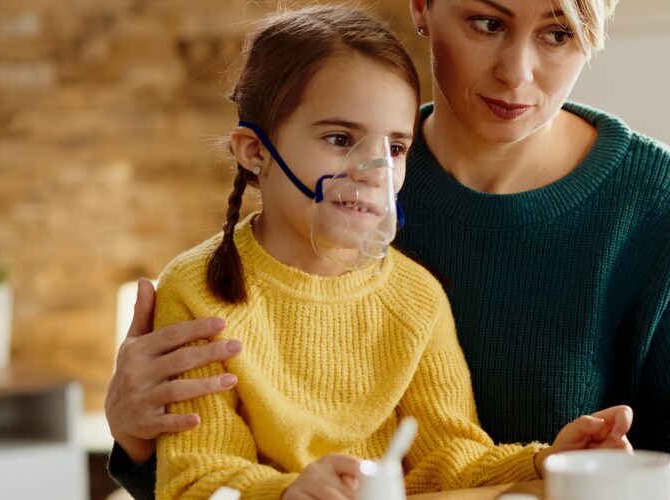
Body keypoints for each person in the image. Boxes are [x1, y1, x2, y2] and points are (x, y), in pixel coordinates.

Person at [108, 0, 670, 497]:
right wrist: (138, 440)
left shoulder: (649, 198)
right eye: (487, 23)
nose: (517, 74)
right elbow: (201, 472)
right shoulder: (313, 191)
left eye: (558, 33)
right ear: (423, 6)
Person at [145, 6, 631, 499]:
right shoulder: (198, 292)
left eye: (395, 148)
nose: (373, 171)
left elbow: (452, 459)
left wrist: (545, 461)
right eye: (340, 139)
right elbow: (195, 478)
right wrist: (287, 493)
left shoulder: (415, 297)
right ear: (255, 151)